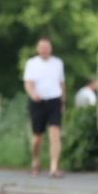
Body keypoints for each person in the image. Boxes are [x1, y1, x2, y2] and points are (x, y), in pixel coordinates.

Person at [22, 37, 66, 178]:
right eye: (42, 47)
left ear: (50, 48)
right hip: (38, 102)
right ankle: (35, 160)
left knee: (55, 134)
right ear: (37, 49)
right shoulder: (32, 63)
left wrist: (63, 102)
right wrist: (33, 94)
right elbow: (28, 83)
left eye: (47, 47)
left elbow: (61, 83)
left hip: (54, 101)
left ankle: (53, 167)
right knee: (37, 138)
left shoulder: (58, 63)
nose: (44, 50)